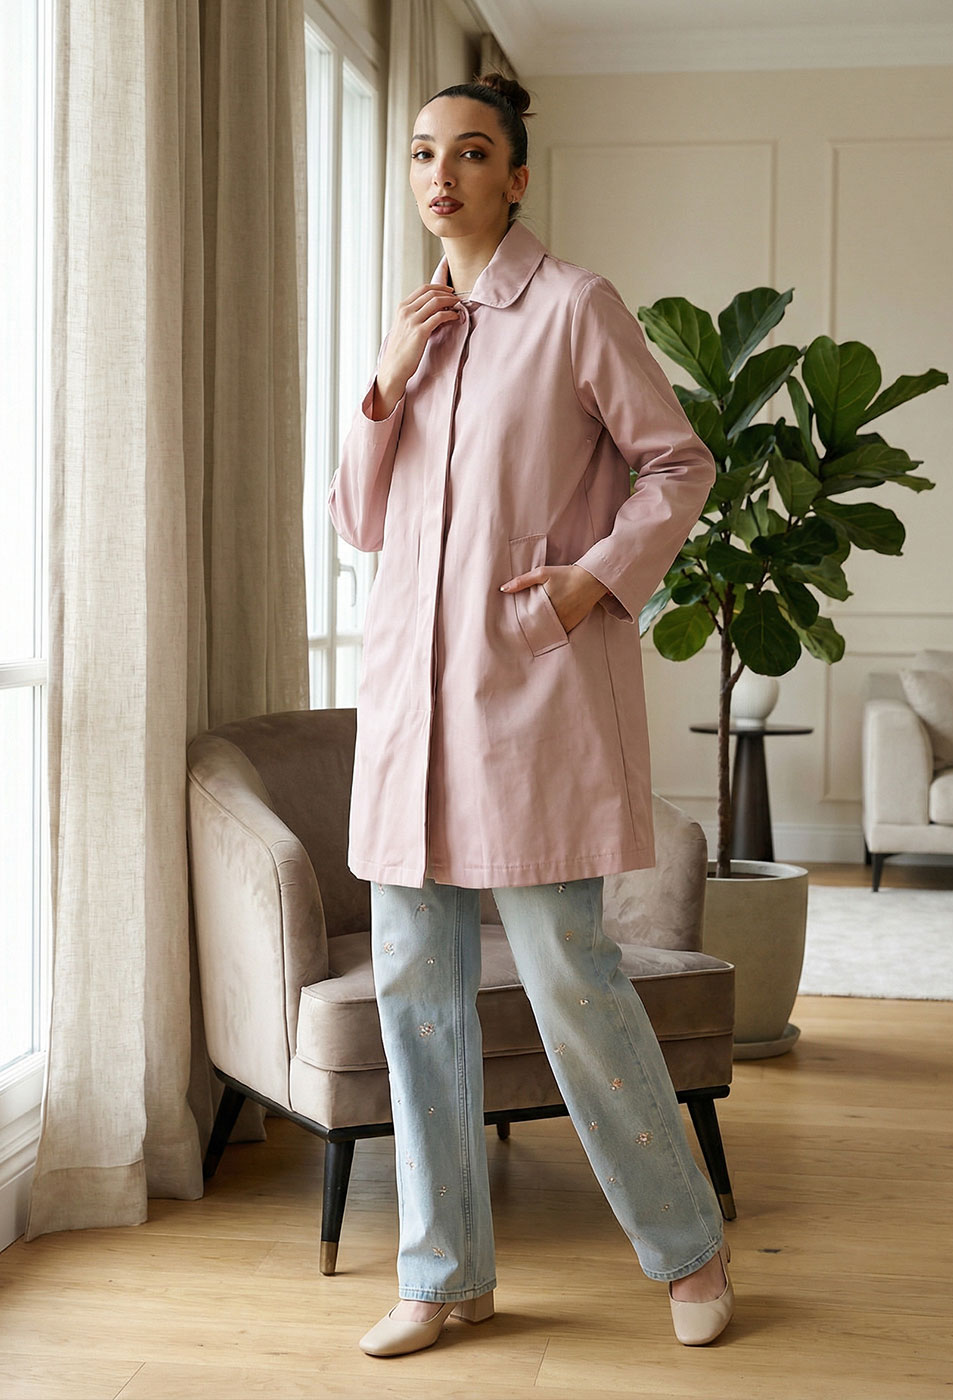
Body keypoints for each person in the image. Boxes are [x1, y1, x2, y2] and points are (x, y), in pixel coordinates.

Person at [327, 72, 733, 1358]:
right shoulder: (414, 328)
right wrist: (385, 380)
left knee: (571, 977)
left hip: (530, 696)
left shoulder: (573, 306)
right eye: (421, 154)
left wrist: (588, 581)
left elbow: (678, 461)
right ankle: (443, 1272)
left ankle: (687, 1247)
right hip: (411, 707)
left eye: (469, 152)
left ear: (514, 176)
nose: (439, 174)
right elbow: (358, 520)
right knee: (415, 992)